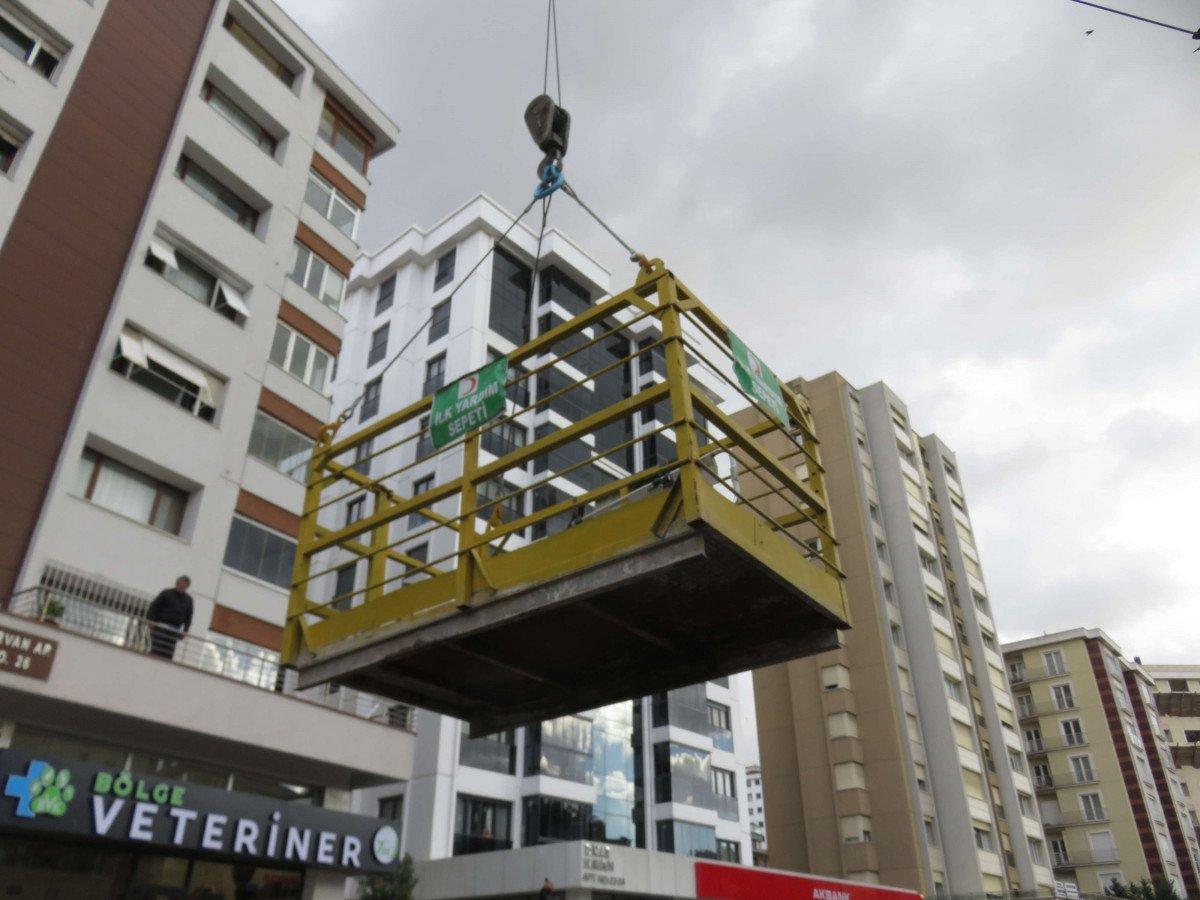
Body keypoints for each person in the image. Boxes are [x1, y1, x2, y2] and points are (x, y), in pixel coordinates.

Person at [146, 576, 194, 659]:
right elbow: (153, 607)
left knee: (168, 653)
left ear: (187, 587)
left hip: (175, 630)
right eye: (180, 584)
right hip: (161, 626)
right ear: (177, 583)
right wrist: (150, 621)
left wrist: (185, 631)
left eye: (184, 585)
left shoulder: (188, 600)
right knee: (156, 650)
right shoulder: (166, 593)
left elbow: (188, 617)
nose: (181, 587)